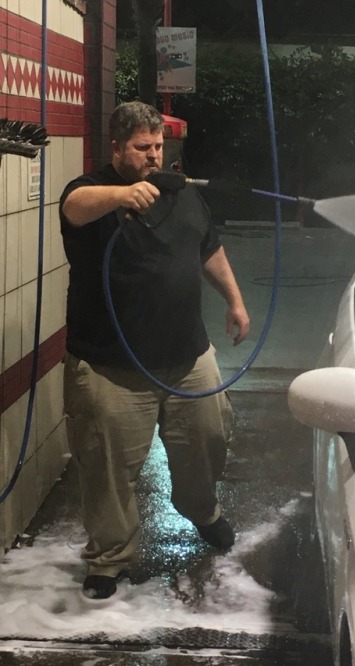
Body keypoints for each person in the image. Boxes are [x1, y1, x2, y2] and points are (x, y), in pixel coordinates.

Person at [59, 101, 250, 600]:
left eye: (159, 147)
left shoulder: (181, 194)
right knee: (105, 465)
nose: (153, 157)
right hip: (110, 365)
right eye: (142, 148)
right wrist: (123, 195)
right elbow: (72, 208)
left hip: (187, 355)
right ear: (117, 146)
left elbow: (207, 247)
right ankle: (110, 556)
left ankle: (202, 510)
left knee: (210, 435)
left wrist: (234, 299)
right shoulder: (92, 193)